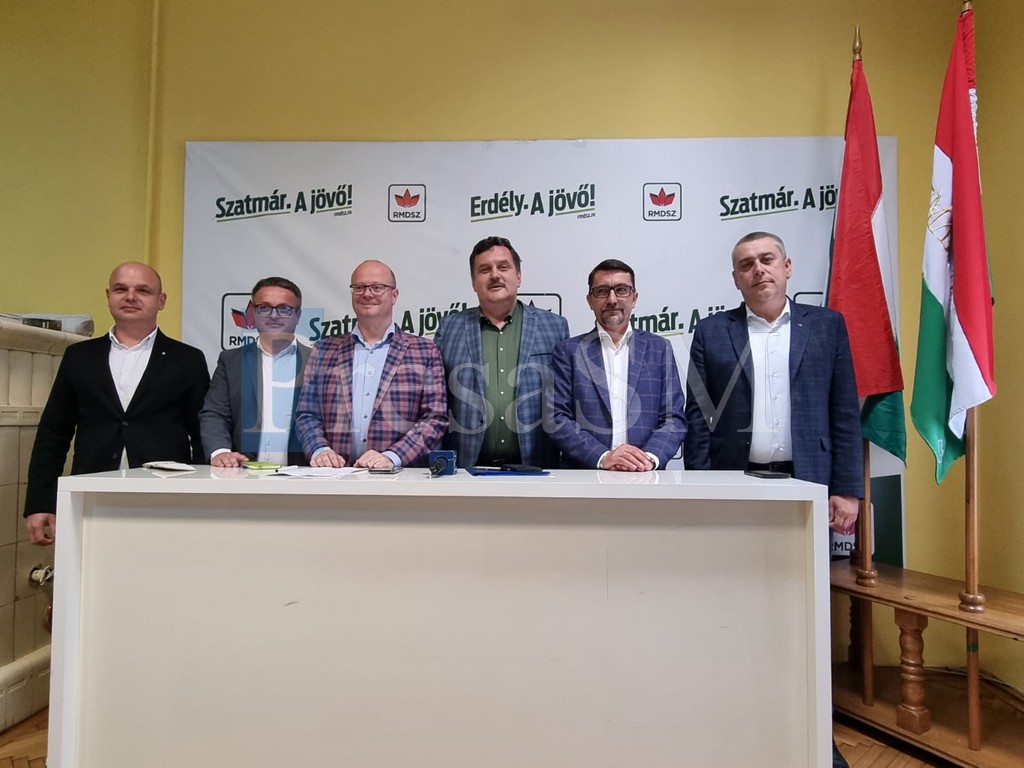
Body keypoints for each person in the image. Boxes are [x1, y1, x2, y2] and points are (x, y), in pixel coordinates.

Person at [682, 231, 862, 768]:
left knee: (804, 615)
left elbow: (844, 410)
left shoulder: (827, 326)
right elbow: (698, 418)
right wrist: (703, 489)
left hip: (807, 489)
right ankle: (735, 727)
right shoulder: (712, 332)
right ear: (735, 278)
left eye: (767, 260)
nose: (758, 270)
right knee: (735, 610)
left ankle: (813, 738)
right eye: (746, 264)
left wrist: (847, 488)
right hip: (735, 490)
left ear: (787, 266)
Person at [24, 261, 210, 545]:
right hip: (91, 495)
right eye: (121, 289)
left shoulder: (187, 359)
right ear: (108, 295)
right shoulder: (79, 357)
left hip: (168, 497)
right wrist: (40, 501)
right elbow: (54, 432)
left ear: (161, 300)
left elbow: (202, 433)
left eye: (143, 290)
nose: (130, 297)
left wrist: (202, 496)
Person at [294, 260, 446, 468]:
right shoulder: (324, 351)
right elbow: (307, 414)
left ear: (394, 295)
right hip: (336, 476)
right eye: (359, 287)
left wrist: (392, 457)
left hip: (400, 476)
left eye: (377, 287)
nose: (367, 294)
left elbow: (435, 417)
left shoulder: (425, 351)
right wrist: (320, 450)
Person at [435, 236, 569, 468]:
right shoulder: (449, 328)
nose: (495, 275)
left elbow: (564, 400)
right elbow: (436, 402)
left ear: (518, 276)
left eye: (503, 267)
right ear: (473, 281)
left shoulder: (555, 326)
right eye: (485, 269)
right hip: (467, 469)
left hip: (537, 467)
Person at [546, 259, 686, 470]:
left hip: (645, 475)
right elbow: (556, 417)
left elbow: (673, 418)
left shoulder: (659, 349)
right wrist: (603, 457)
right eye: (602, 291)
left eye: (621, 290)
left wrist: (647, 459)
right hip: (585, 475)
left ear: (634, 298)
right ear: (590, 300)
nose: (612, 299)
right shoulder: (568, 352)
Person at [200, 276, 311, 468]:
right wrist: (220, 452)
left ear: (298, 315)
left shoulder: (317, 361)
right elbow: (215, 414)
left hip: (301, 476)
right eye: (264, 307)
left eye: (284, 308)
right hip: (241, 475)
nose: (274, 315)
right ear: (253, 313)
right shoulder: (231, 361)